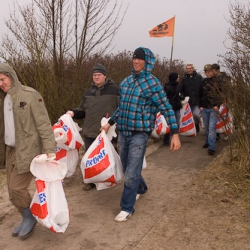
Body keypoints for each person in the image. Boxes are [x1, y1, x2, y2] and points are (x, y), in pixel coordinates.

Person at [101, 47, 181, 222]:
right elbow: (122, 108)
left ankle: (127, 207)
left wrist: (175, 133)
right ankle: (141, 188)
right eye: (134, 58)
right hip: (124, 132)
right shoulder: (126, 82)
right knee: (127, 168)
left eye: (140, 59)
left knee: (131, 173)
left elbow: (167, 109)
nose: (136, 61)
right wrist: (109, 123)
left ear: (147, 62)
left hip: (140, 134)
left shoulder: (153, 84)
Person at [0, 63, 56, 239]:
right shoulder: (4, 98)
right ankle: (26, 216)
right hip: (10, 150)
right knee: (11, 191)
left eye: (2, 79)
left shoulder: (30, 95)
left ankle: (30, 217)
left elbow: (44, 124)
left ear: (11, 76)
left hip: (28, 150)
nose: (1, 83)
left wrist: (50, 149)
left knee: (17, 188)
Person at [66, 63, 120, 191]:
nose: (96, 77)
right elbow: (82, 109)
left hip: (107, 131)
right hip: (90, 131)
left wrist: (114, 124)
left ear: (105, 76)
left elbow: (121, 109)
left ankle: (110, 178)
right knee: (90, 158)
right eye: (94, 75)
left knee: (109, 156)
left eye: (99, 75)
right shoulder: (88, 92)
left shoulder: (115, 90)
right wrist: (73, 112)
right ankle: (90, 182)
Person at [198, 64, 222, 155]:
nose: (208, 74)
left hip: (213, 108)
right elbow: (199, 94)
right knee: (206, 127)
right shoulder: (202, 82)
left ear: (213, 72)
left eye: (209, 72)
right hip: (204, 107)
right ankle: (207, 141)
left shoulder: (217, 81)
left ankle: (212, 147)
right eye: (206, 72)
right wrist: (200, 105)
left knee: (212, 127)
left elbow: (220, 94)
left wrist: (217, 105)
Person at [179, 63, 203, 133]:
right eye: (187, 69)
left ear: (193, 69)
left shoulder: (199, 77)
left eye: (190, 68)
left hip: (197, 100)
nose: (189, 70)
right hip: (188, 101)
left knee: (196, 114)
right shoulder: (184, 79)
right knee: (188, 116)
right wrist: (181, 96)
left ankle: (196, 124)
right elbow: (180, 88)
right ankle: (189, 129)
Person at [163, 72, 183, 146]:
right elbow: (165, 97)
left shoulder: (178, 86)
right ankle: (166, 140)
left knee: (176, 123)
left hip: (177, 107)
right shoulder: (167, 87)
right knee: (168, 123)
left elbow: (177, 95)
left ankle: (175, 138)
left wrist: (182, 98)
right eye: (177, 77)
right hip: (169, 108)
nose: (178, 79)